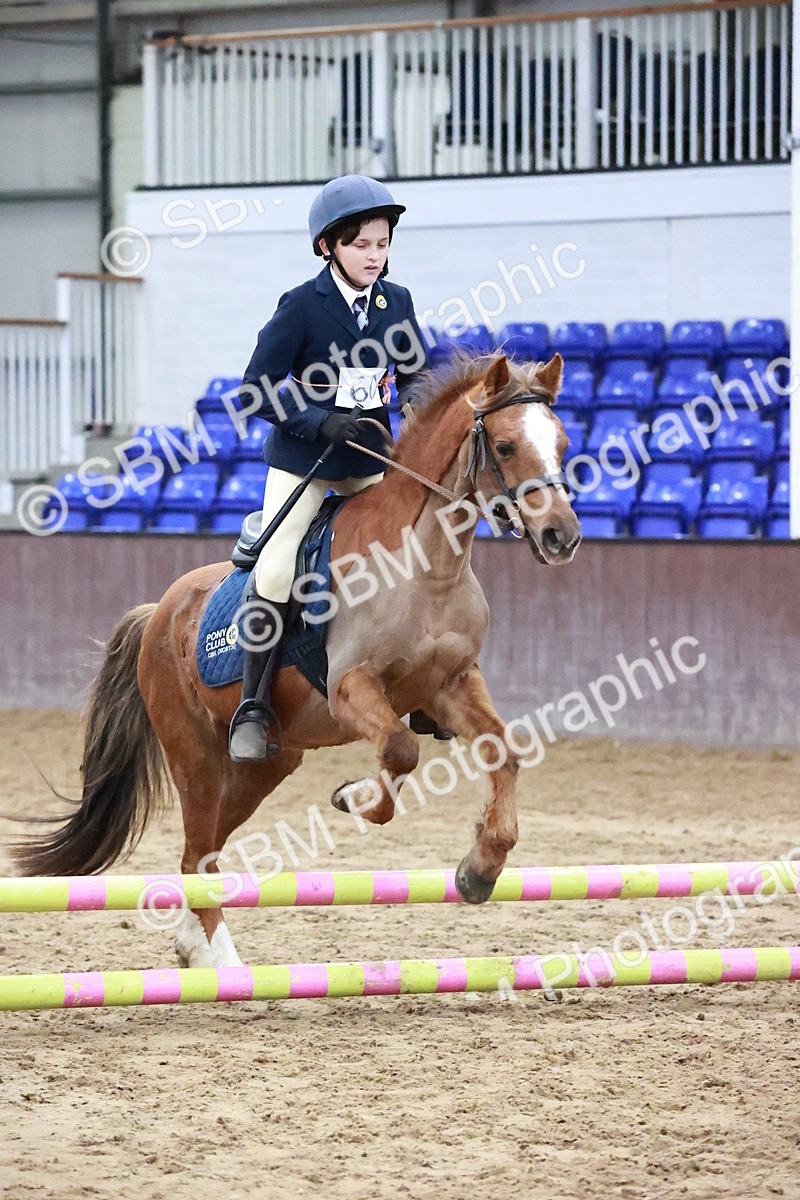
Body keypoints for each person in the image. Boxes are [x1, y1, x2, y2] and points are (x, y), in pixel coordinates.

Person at [229, 174, 438, 762]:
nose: (375, 256)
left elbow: (416, 372)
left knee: (416, 552)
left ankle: (421, 684)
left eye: (381, 243)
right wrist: (319, 420)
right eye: (361, 246)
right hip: (307, 463)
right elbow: (256, 388)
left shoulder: (396, 302)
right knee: (275, 570)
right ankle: (252, 705)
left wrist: (418, 405)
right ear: (329, 247)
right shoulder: (300, 307)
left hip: (371, 457)